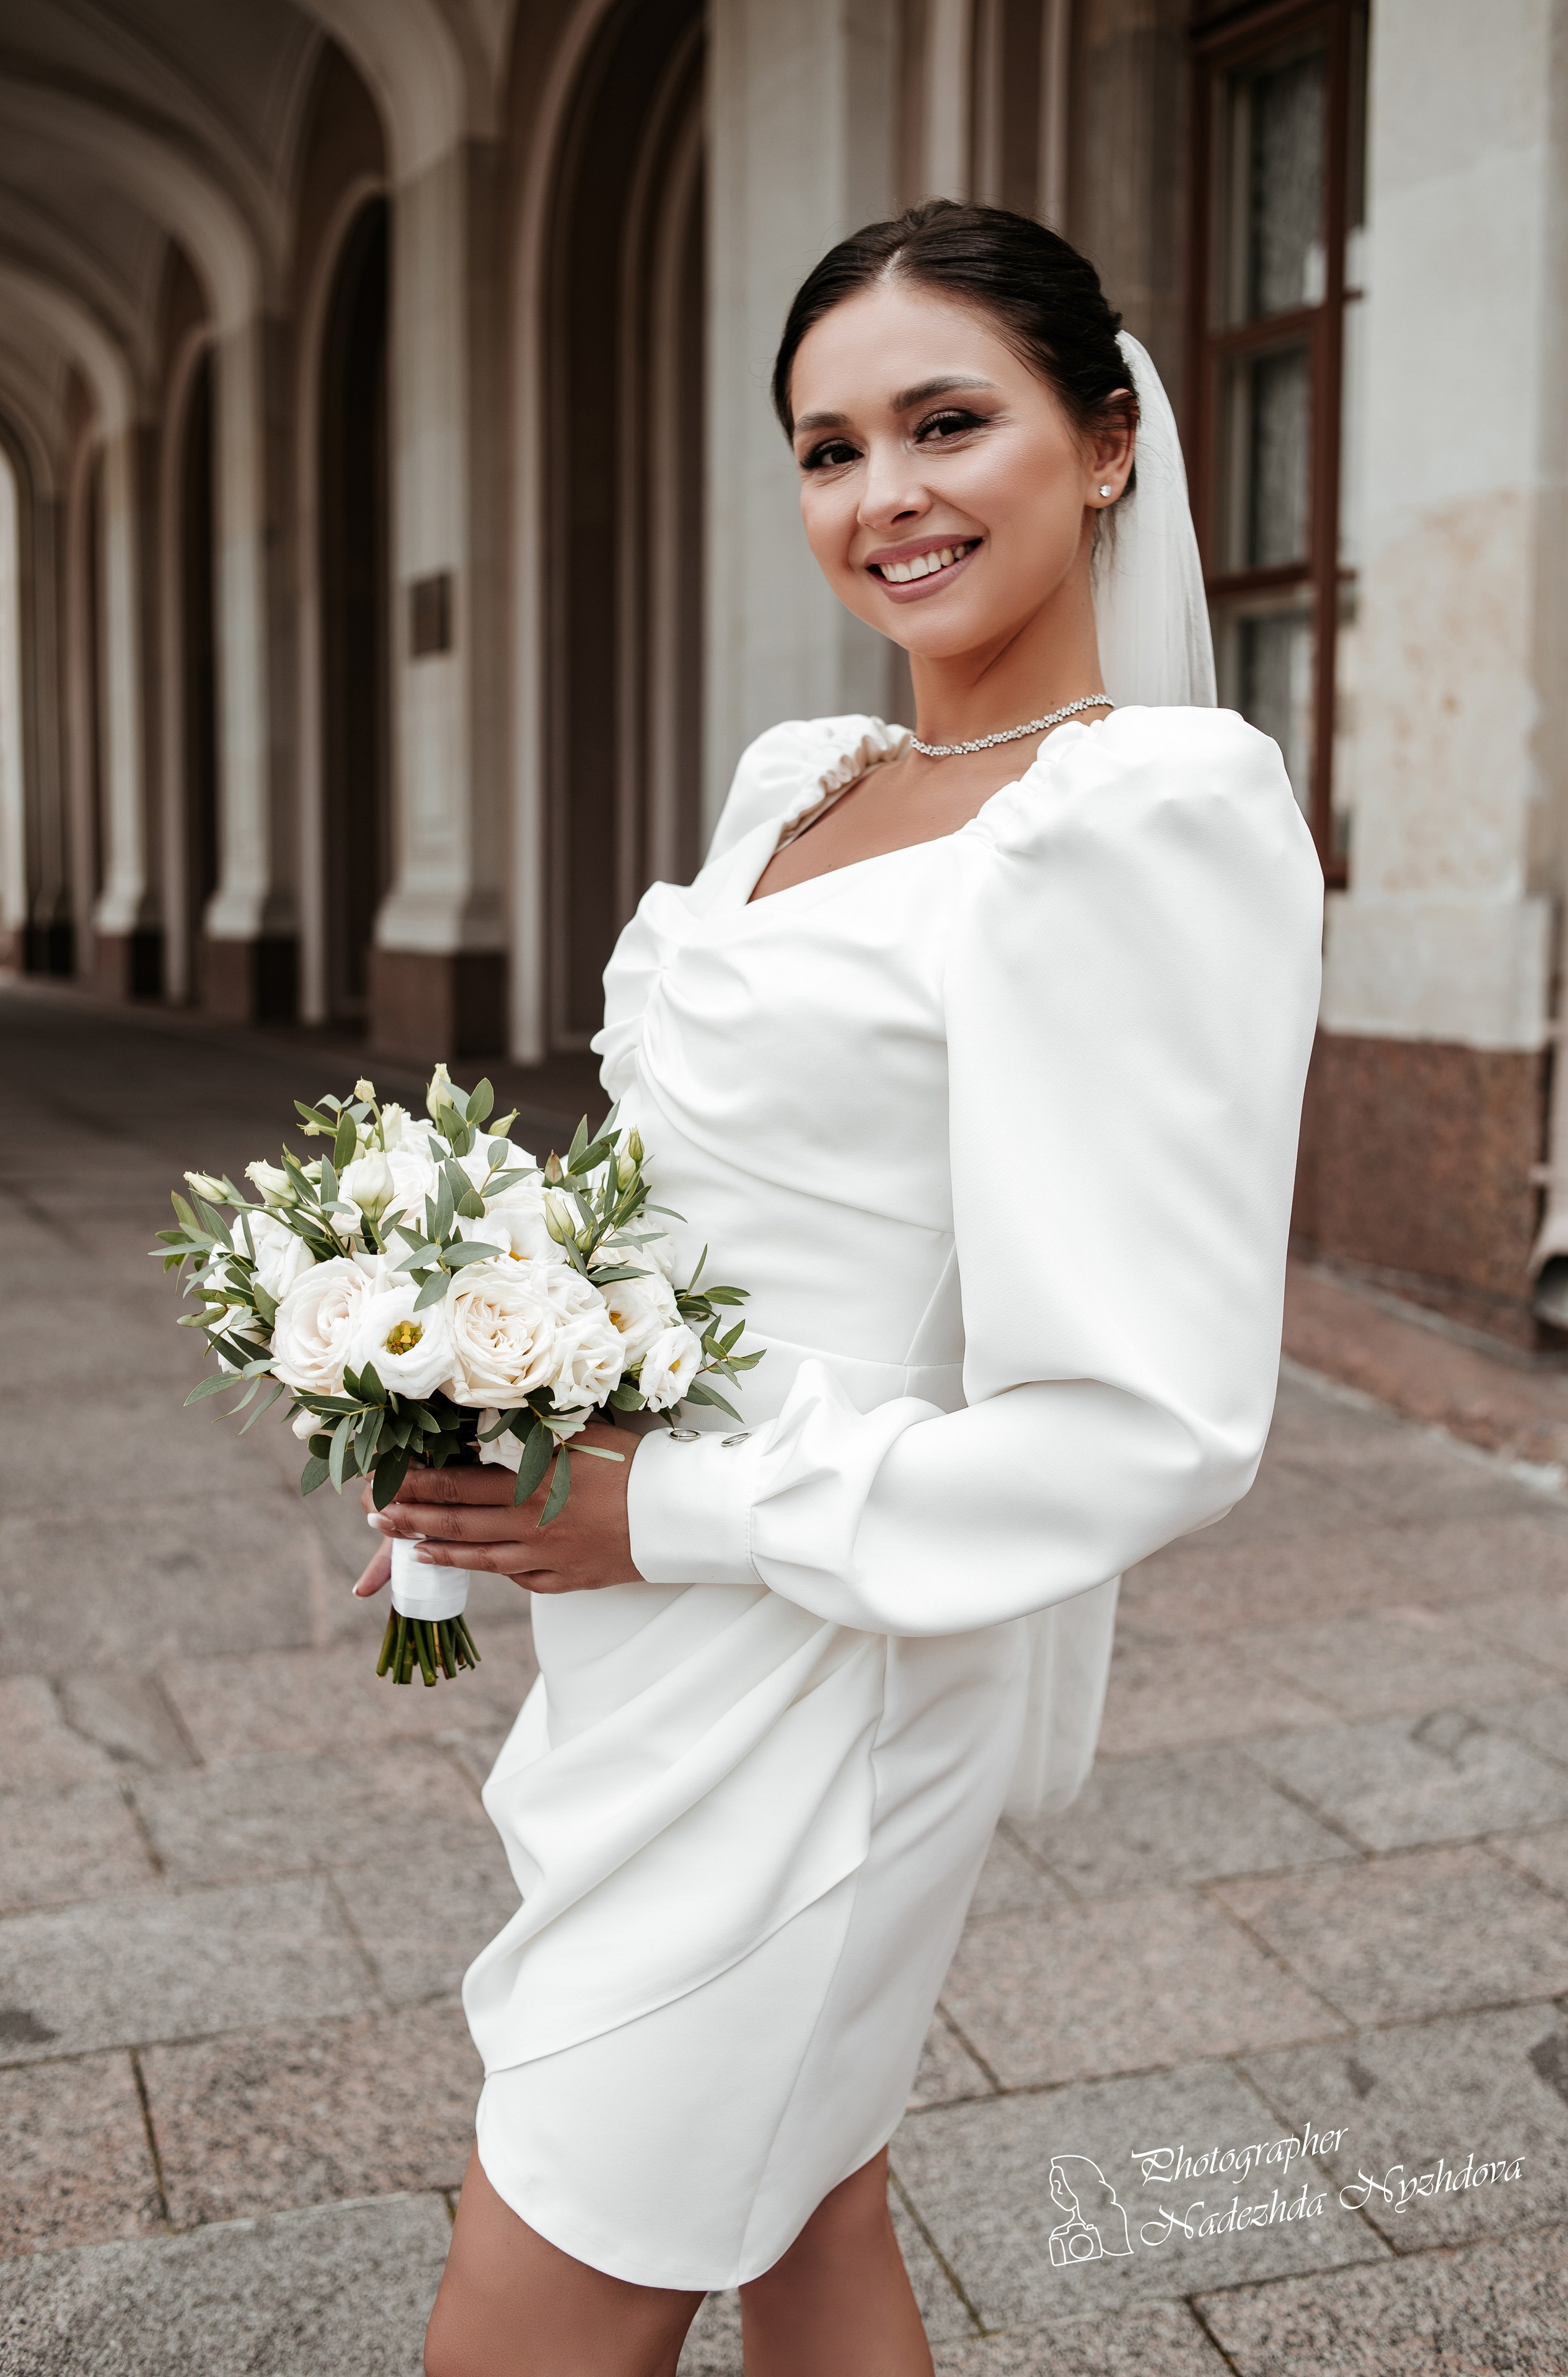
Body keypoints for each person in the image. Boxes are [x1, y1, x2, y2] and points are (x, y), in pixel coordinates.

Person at [353, 199, 1323, 2377]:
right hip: (640, 1652)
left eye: (945, 422)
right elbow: (694, 1208)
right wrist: (469, 1409)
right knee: (805, 2206)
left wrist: (660, 1511)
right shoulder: (802, 782)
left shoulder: (1146, 813)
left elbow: (1156, 1421)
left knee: (542, 2280)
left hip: (831, 1661)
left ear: (1103, 446)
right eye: (826, 446)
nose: (881, 496)